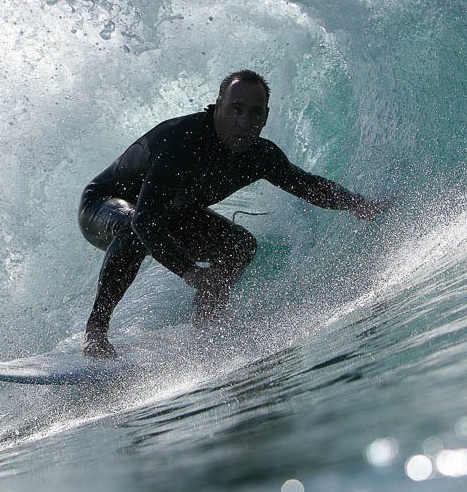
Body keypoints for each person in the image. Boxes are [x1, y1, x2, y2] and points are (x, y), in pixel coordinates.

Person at [78, 70, 392, 358]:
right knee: (135, 229)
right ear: (218, 107)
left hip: (170, 215)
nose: (244, 121)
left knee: (240, 244)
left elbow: (308, 185)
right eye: (236, 109)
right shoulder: (182, 139)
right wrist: (192, 273)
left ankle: (207, 318)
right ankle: (96, 332)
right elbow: (145, 219)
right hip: (104, 205)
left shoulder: (260, 155)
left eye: (255, 112)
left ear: (266, 117)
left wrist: (361, 206)